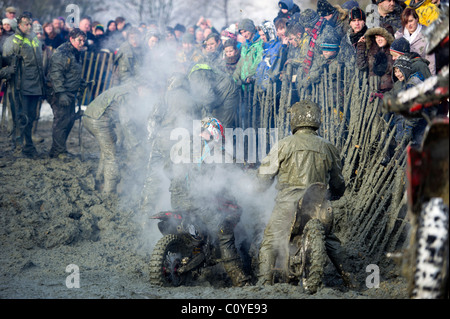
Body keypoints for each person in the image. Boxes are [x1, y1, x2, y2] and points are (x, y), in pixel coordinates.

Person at [256, 100, 348, 287]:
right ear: (317, 119)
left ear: (294, 119)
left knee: (270, 241)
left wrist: (258, 188)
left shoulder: (283, 145)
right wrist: (335, 194)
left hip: (287, 205)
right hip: (318, 205)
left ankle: (263, 283)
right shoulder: (328, 147)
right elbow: (338, 183)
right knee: (331, 241)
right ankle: (352, 280)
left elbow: (264, 177)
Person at [168, 116, 251, 287]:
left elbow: (166, 169)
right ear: (214, 133)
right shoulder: (212, 150)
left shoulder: (182, 145)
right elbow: (230, 172)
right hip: (198, 202)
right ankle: (240, 280)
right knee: (225, 232)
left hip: (177, 201)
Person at [83, 81, 150, 194]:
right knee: (112, 156)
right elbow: (126, 122)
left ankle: (99, 178)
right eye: (149, 92)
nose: (147, 97)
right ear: (142, 87)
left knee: (107, 149)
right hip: (99, 121)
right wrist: (135, 145)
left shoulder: (126, 88)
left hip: (91, 117)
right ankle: (109, 191)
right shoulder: (129, 95)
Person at [2, 13, 45, 158]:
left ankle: (28, 146)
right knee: (20, 118)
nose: (28, 26)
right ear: (19, 25)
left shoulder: (35, 40)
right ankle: (20, 147)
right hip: (20, 87)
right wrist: (7, 71)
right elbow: (4, 64)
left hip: (35, 86)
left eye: (30, 24)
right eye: (26, 24)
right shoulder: (11, 42)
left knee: (31, 117)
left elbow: (39, 64)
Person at [47, 28, 87, 159]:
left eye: (83, 40)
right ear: (71, 39)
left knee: (69, 120)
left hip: (69, 92)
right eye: (79, 40)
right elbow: (56, 74)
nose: (82, 43)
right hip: (58, 92)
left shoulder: (75, 52)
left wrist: (80, 82)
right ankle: (60, 151)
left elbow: (71, 72)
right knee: (61, 121)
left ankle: (57, 149)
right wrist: (60, 93)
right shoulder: (62, 53)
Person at [394, 7, 436, 75]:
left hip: (422, 75)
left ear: (416, 19)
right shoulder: (398, 36)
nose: (409, 25)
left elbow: (431, 63)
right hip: (403, 76)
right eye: (406, 22)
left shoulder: (427, 35)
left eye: (411, 21)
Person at [356, 24, 395, 93]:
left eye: (381, 36)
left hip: (389, 93)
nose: (378, 39)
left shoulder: (394, 53)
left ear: (388, 37)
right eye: (376, 37)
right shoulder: (372, 51)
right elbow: (361, 66)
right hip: (372, 92)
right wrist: (361, 46)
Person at [255, 20, 285, 91]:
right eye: (260, 35)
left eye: (263, 35)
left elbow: (274, 67)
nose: (262, 37)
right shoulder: (265, 47)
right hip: (262, 86)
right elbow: (261, 66)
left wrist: (265, 85)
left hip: (272, 87)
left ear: (270, 33)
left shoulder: (278, 47)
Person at [233, 18, 264, 86]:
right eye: (241, 33)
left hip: (254, 83)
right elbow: (241, 62)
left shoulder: (260, 43)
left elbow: (258, 61)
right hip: (244, 84)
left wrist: (250, 76)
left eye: (245, 31)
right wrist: (235, 77)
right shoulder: (244, 45)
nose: (244, 35)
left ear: (251, 29)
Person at [338, 7, 368, 72]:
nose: (357, 23)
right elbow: (341, 62)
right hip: (349, 79)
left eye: (359, 20)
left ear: (364, 22)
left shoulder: (370, 37)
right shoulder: (345, 40)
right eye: (354, 20)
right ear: (350, 23)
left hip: (366, 80)